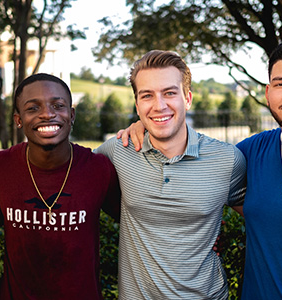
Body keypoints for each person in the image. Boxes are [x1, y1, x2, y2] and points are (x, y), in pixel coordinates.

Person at [121, 40, 282, 299]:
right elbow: (191, 166)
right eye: (281, 84)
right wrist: (147, 127)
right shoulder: (248, 153)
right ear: (268, 93)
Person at [94, 50, 247, 299]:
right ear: (137, 104)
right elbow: (68, 171)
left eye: (169, 93)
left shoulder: (227, 160)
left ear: (187, 98)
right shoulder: (118, 151)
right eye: (147, 96)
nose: (159, 105)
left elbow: (262, 221)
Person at [0, 73, 121, 300]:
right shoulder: (0, 166)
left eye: (58, 105)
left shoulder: (98, 168)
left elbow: (136, 224)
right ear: (18, 119)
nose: (47, 114)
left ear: (71, 114)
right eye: (33, 108)